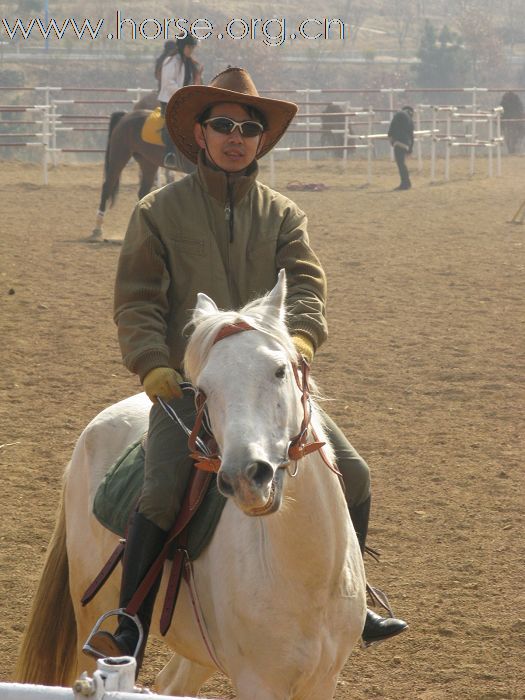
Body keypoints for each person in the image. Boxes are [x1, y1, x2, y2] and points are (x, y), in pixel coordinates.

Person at [84, 67, 408, 671]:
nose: (236, 136)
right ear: (200, 135)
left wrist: (302, 339)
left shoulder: (283, 215)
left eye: (249, 127)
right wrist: (153, 364)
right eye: (223, 125)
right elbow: (138, 299)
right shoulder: (159, 213)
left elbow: (307, 285)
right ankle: (127, 619)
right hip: (192, 386)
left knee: (356, 475)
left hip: (268, 381)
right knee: (158, 493)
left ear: (261, 141)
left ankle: (355, 600)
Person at [157, 34, 203, 169]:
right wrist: (184, 93)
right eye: (189, 47)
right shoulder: (170, 62)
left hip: (185, 99)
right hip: (169, 100)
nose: (191, 50)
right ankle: (169, 154)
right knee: (172, 124)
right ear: (183, 46)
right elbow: (169, 83)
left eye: (192, 47)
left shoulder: (190, 63)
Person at [388, 105, 414, 190]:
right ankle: (407, 182)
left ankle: (405, 183)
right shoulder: (410, 120)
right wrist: (410, 149)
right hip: (406, 143)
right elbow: (411, 135)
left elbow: (392, 126)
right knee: (402, 163)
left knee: (401, 164)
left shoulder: (399, 114)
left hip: (399, 141)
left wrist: (390, 137)